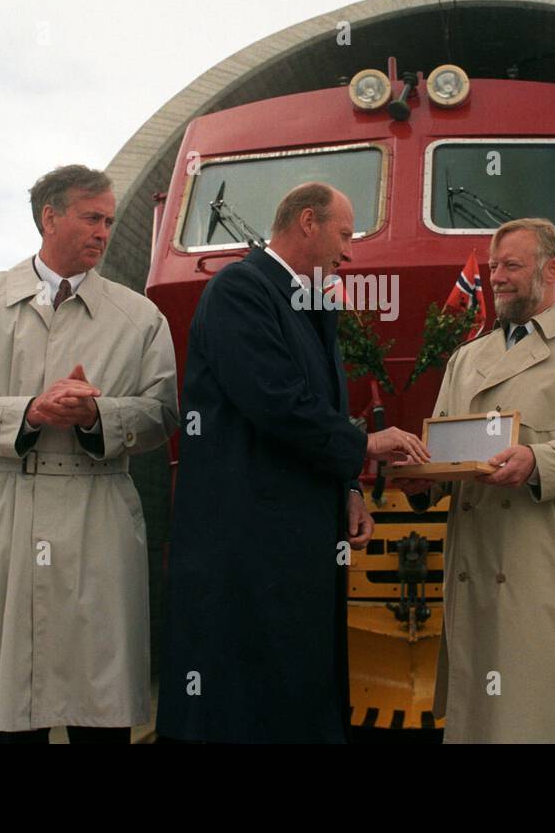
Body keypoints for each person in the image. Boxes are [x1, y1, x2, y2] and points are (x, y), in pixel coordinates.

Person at [155, 182, 428, 743]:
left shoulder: (313, 302)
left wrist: (349, 485)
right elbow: (275, 400)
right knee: (246, 697)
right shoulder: (240, 290)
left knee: (297, 687)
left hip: (295, 542)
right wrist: (366, 446)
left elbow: (324, 406)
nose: (350, 253)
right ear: (308, 221)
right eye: (345, 235)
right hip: (247, 544)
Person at [0, 164, 179, 743]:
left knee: (99, 708)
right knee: (3, 705)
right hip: (2, 509)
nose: (104, 233)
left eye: (110, 221)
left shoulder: (139, 316)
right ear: (49, 217)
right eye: (92, 218)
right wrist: (29, 412)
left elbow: (163, 413)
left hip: (98, 509)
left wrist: (97, 415)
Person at [395, 217, 555, 742]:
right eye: (492, 267)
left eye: (511, 265)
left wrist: (539, 462)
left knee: (541, 722)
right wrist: (424, 482)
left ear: (552, 270)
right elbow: (447, 456)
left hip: (548, 576)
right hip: (475, 575)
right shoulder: (466, 359)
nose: (496, 277)